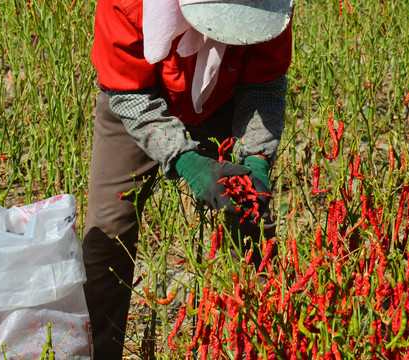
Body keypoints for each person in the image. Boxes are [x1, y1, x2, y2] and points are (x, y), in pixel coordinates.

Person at [82, 0, 294, 358]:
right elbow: (130, 95)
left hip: (224, 101)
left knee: (252, 220)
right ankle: (97, 351)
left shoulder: (271, 7)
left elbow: (264, 85)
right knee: (108, 233)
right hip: (138, 103)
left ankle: (263, 343)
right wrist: (186, 161)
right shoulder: (125, 5)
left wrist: (256, 157)